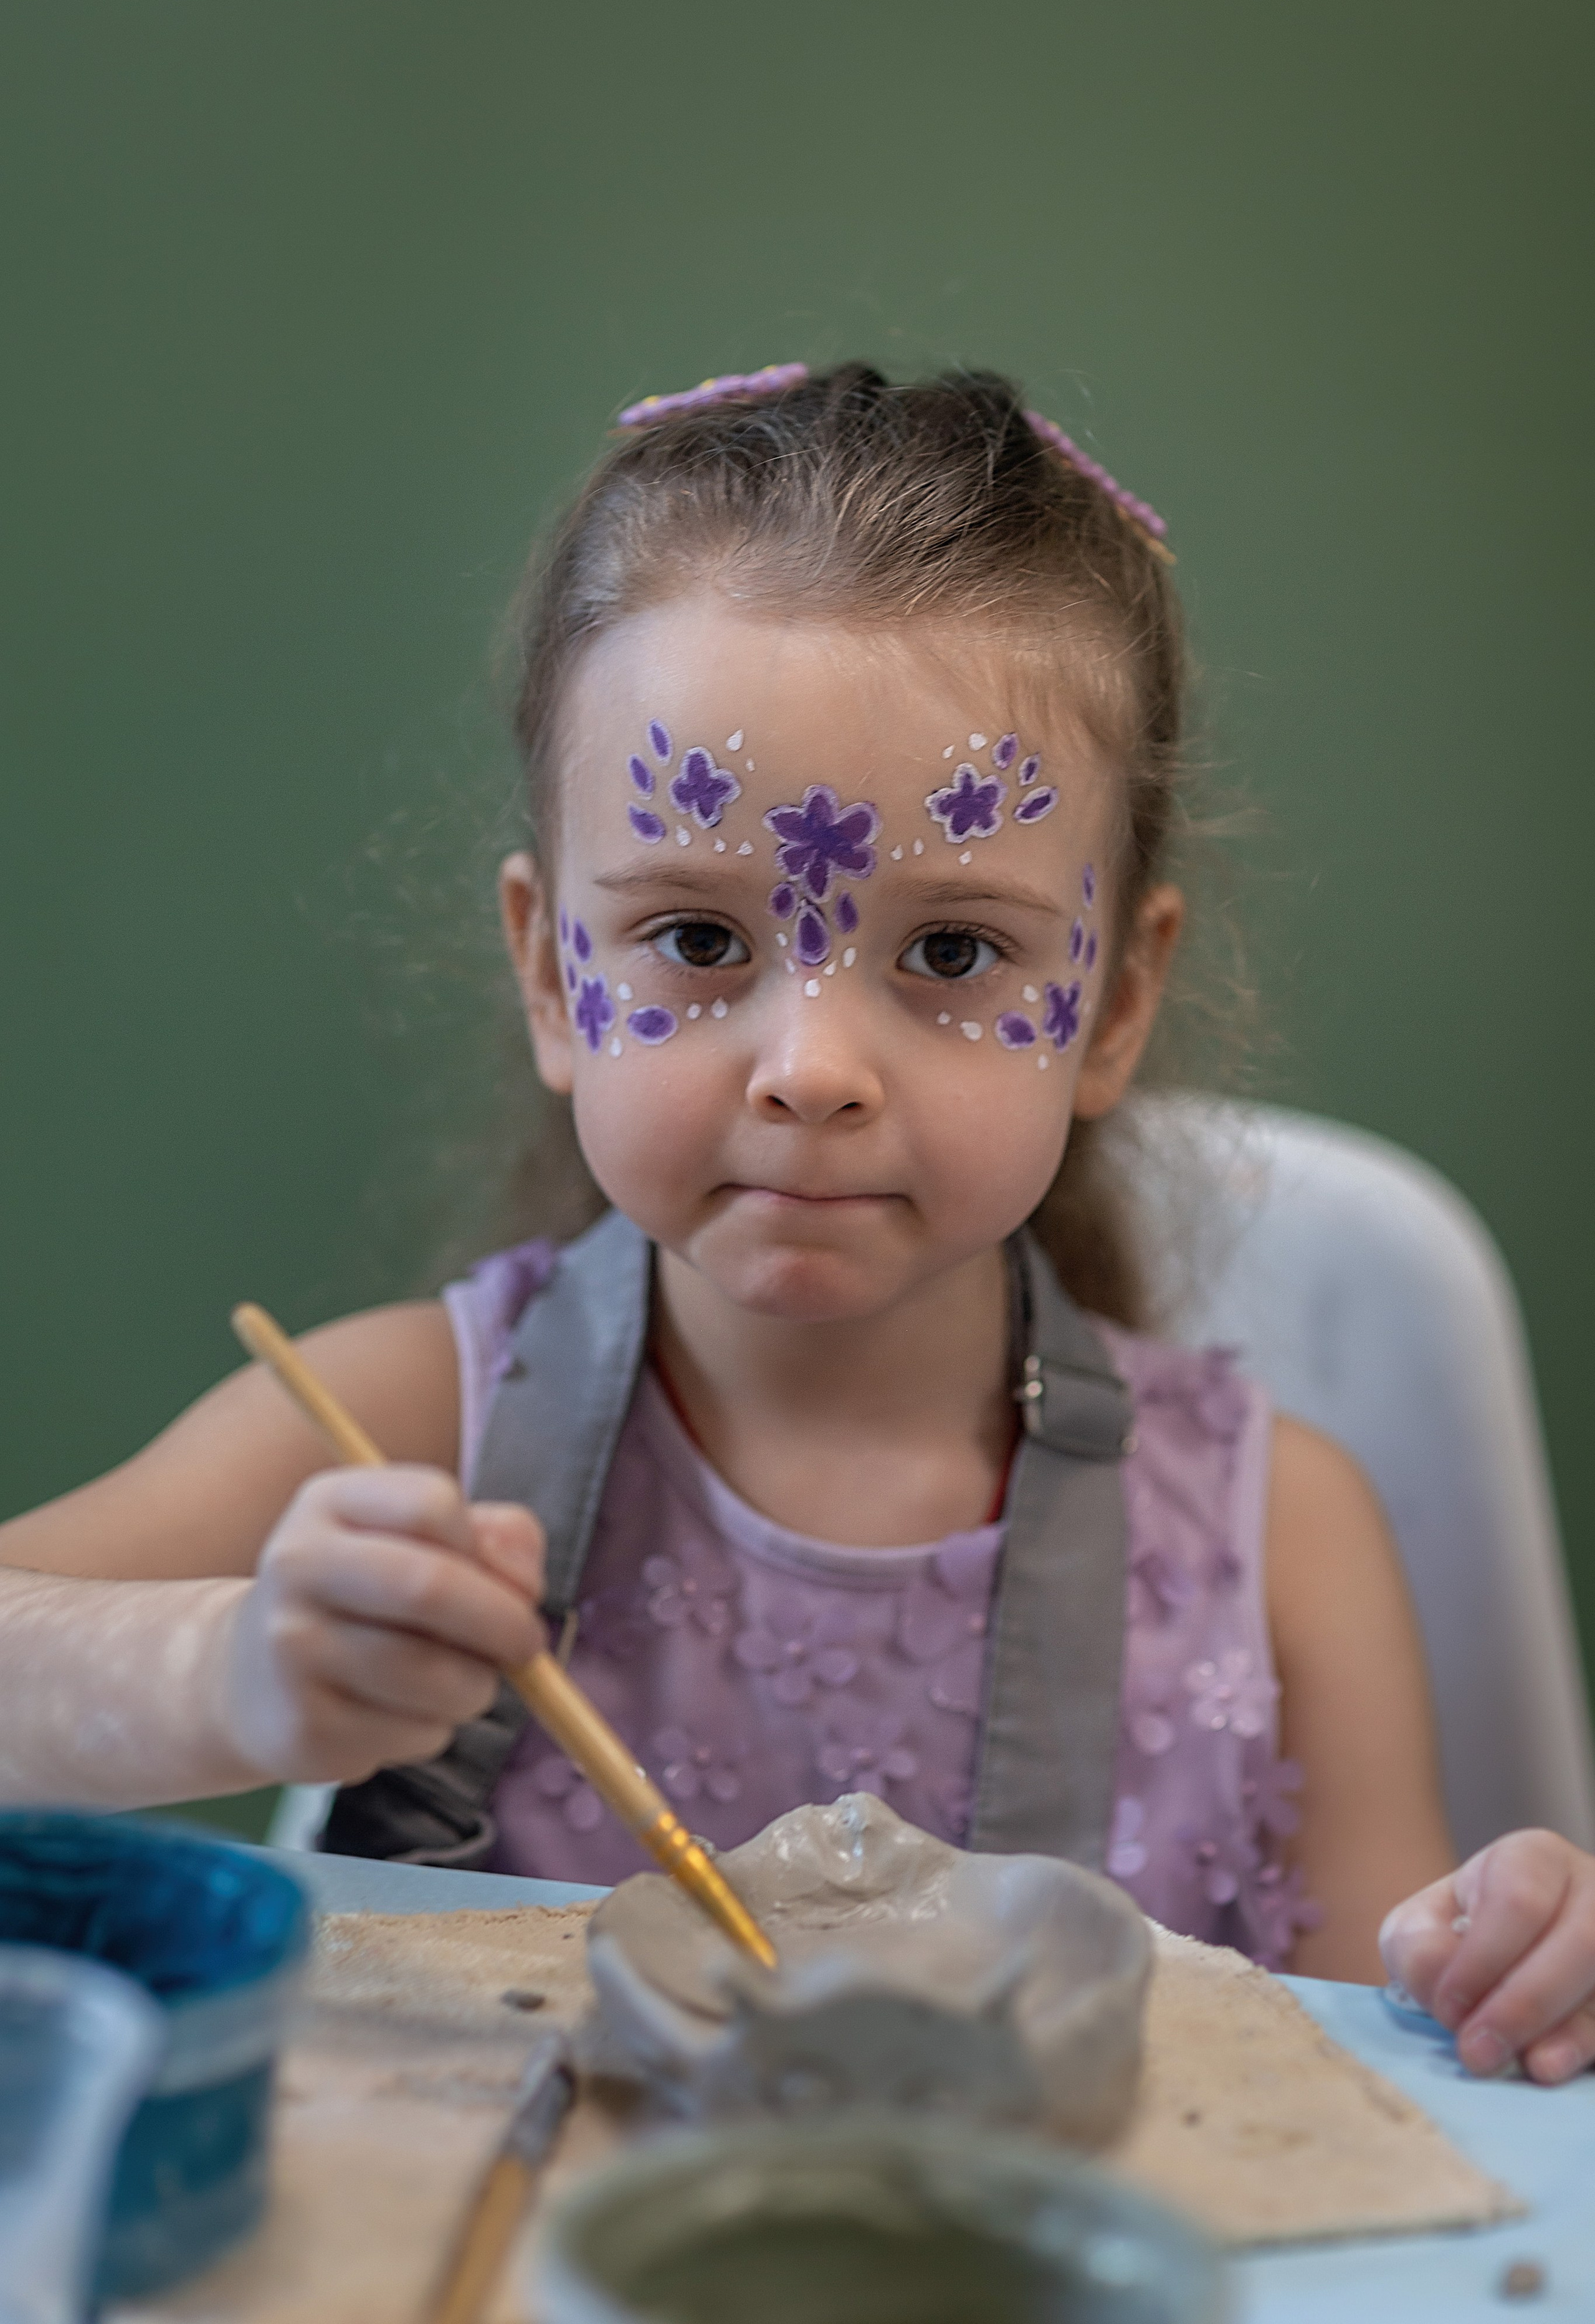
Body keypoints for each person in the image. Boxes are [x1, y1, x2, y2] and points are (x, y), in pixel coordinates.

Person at [2, 362, 1590, 2085]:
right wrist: (224, 1670)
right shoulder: (416, 1425)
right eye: (695, 940)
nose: (814, 1067)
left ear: (1116, 1001)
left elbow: (1393, 2090)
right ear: (553, 971)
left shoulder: (1287, 1542)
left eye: (956, 952)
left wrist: (1499, 1973)